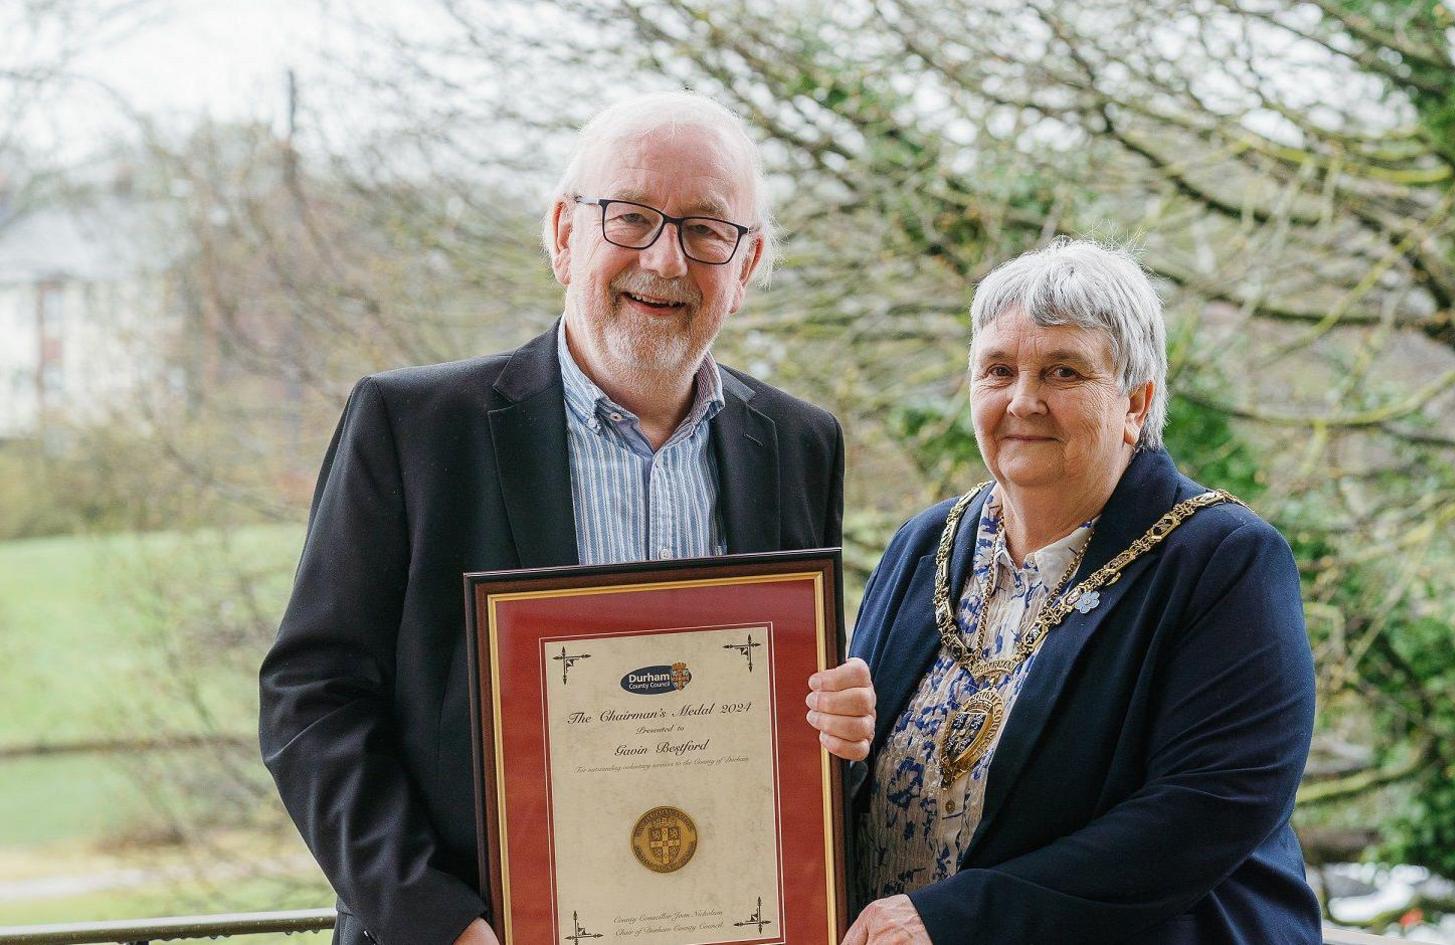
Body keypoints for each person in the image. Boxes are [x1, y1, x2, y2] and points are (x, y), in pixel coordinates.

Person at [258, 92, 877, 945]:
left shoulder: (801, 443)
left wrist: (837, 723)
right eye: (631, 218)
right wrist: (445, 926)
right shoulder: (412, 429)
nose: (665, 260)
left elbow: (787, 708)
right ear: (562, 234)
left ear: (748, 263)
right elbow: (311, 706)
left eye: (707, 229)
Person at [843, 239, 1320, 944]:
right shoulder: (924, 542)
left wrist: (954, 921)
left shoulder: (1223, 561)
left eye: (1062, 371)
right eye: (998, 370)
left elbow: (1206, 808)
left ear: (1135, 402)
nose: (1023, 400)